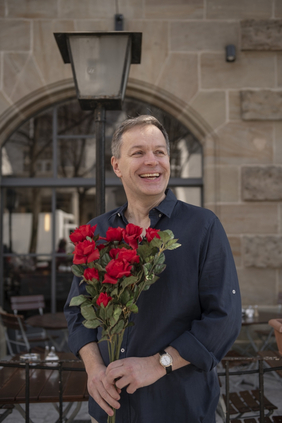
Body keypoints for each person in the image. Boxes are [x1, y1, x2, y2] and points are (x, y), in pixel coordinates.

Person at [64, 115, 242, 423]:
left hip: (178, 408)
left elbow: (224, 318)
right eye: (138, 153)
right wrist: (93, 370)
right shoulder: (96, 232)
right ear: (116, 165)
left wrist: (158, 364)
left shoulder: (203, 226)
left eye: (160, 152)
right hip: (109, 411)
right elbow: (78, 312)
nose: (153, 161)